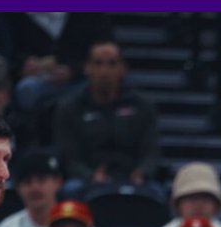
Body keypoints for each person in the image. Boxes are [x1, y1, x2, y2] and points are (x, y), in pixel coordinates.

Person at [52, 39, 159, 186]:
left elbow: (151, 151)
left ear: (123, 69)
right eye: (98, 63)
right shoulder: (70, 107)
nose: (104, 71)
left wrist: (142, 172)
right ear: (87, 68)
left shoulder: (142, 105)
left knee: (156, 192)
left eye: (112, 63)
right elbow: (69, 157)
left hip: (133, 178)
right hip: (87, 179)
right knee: (71, 189)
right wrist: (89, 175)